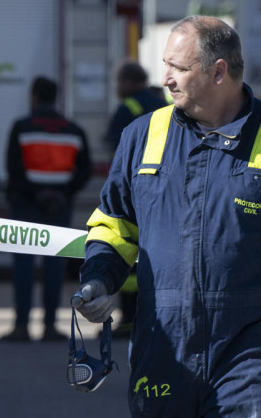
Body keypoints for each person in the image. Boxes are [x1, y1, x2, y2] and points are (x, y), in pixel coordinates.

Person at [72, 16, 261, 416]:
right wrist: (100, 278)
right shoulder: (142, 136)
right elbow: (115, 227)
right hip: (163, 344)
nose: (166, 78)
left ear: (219, 72)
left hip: (252, 348)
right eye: (166, 64)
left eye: (179, 68)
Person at [1, 76, 92, 342]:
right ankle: (50, 326)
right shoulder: (73, 130)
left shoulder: (22, 126)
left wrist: (37, 193)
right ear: (55, 97)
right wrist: (62, 193)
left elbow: (14, 169)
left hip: (27, 205)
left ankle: (21, 326)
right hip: (59, 207)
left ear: (34, 96)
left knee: (24, 267)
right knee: (54, 267)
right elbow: (84, 171)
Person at [102, 61, 168, 339]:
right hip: (167, 189)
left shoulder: (128, 109)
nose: (117, 88)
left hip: (137, 189)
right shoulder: (166, 104)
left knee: (129, 255)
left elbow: (116, 147)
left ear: (129, 83)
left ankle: (129, 319)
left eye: (119, 82)